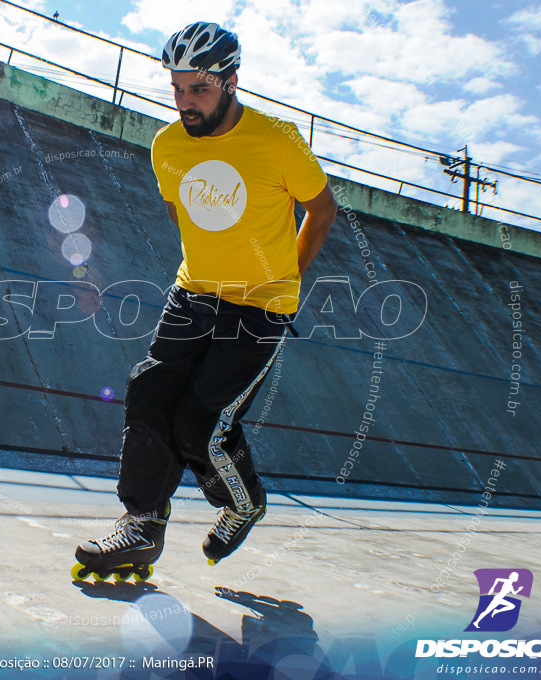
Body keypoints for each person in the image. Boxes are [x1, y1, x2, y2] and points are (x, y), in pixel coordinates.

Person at [73, 22, 337, 580]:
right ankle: (141, 526)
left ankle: (243, 502)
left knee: (201, 424)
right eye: (177, 88)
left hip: (260, 308)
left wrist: (284, 279)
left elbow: (322, 210)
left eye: (199, 89)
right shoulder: (166, 147)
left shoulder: (277, 140)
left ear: (231, 81)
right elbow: (182, 213)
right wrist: (210, 264)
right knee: (149, 395)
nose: (185, 102)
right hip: (192, 293)